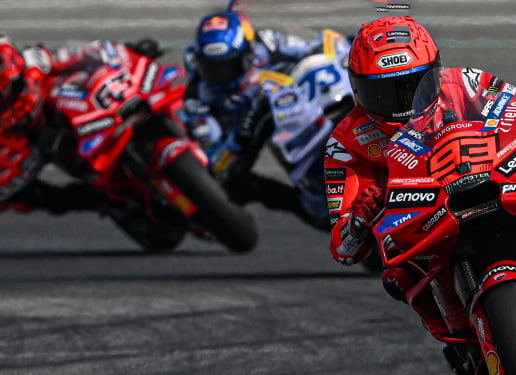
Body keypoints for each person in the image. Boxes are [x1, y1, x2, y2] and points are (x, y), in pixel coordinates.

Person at [324, 15, 516, 297]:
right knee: (398, 277)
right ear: (357, 89)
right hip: (428, 230)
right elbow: (342, 249)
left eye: (413, 86)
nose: (403, 104)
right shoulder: (344, 143)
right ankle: (456, 321)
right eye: (381, 93)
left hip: (501, 185)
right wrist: (359, 219)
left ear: (435, 71)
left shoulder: (469, 82)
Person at [182, 7, 346, 230]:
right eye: (212, 67)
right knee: (232, 185)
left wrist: (348, 45)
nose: (220, 74)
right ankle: (306, 204)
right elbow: (218, 164)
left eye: (228, 65)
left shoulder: (268, 45)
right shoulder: (198, 96)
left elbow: (323, 45)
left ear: (247, 53)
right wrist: (244, 131)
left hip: (305, 105)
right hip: (249, 134)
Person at [0, 36, 161, 216]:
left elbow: (76, 56)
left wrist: (128, 53)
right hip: (39, 140)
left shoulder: (29, 61)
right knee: (25, 195)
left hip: (65, 105)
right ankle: (104, 201)